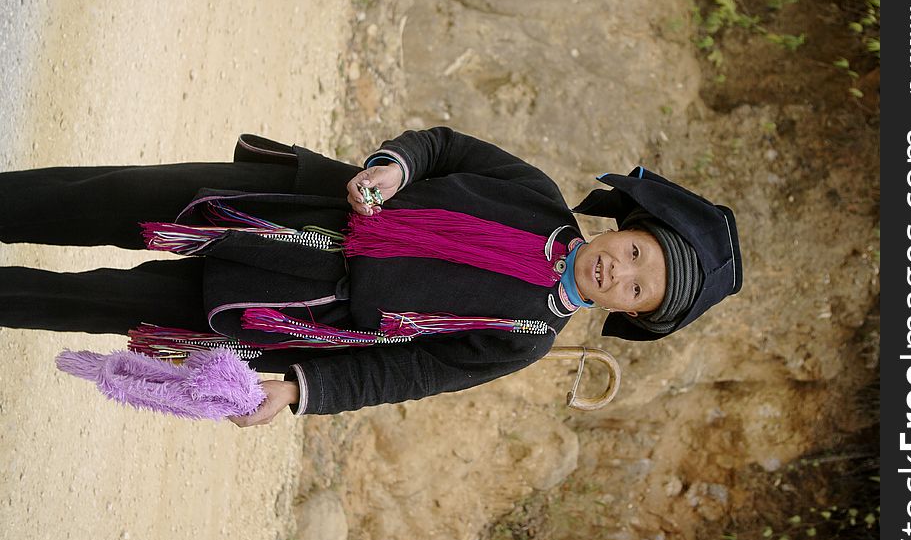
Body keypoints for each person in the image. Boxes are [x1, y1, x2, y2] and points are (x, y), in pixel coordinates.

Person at [0, 127, 743, 426]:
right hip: (282, 210)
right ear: (631, 225)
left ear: (632, 312)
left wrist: (296, 390)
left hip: (276, 312)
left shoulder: (523, 339)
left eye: (638, 289)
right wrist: (395, 167)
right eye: (640, 251)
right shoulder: (535, 194)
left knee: (86, 300)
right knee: (98, 199)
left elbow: (404, 375)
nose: (623, 270)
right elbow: (445, 148)